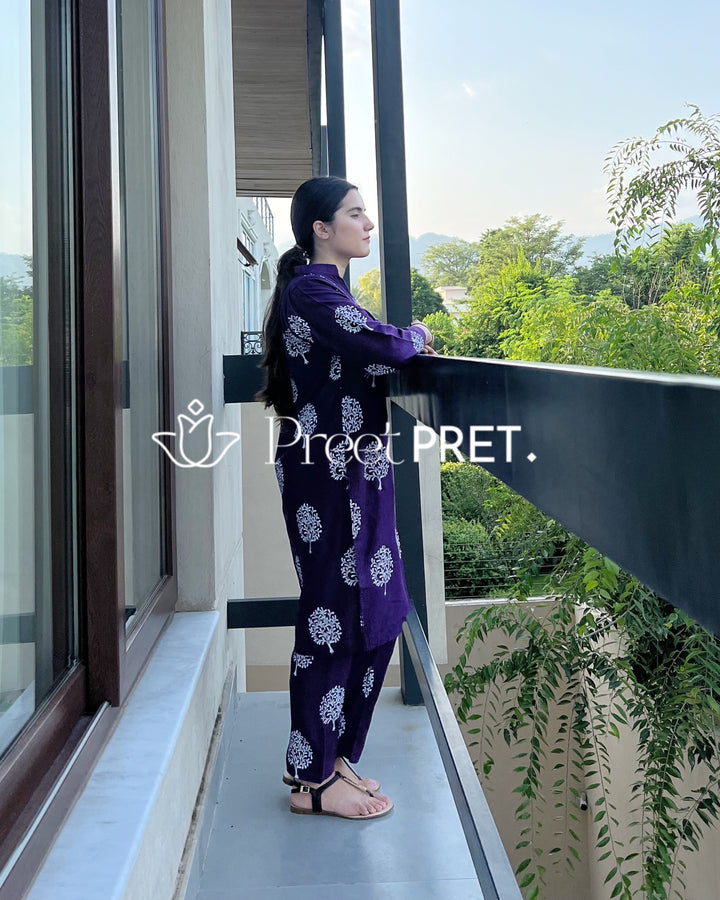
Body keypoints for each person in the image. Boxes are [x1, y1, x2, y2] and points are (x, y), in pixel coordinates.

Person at [257, 176, 435, 820]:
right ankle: (309, 779)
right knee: (331, 615)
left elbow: (371, 354)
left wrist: (401, 342)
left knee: (380, 609)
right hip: (325, 475)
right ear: (321, 229)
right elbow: (379, 345)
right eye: (355, 213)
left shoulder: (331, 290)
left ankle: (333, 757)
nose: (368, 224)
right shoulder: (311, 288)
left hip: (359, 468)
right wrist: (415, 334)